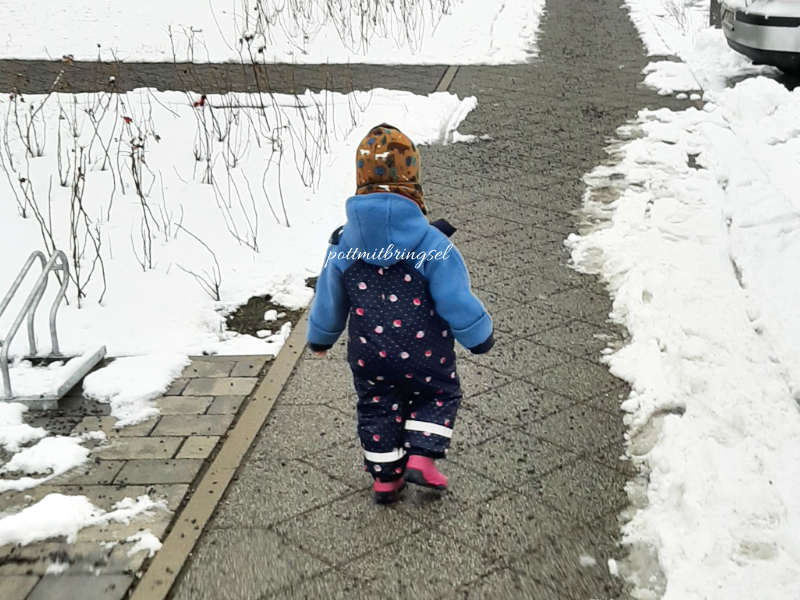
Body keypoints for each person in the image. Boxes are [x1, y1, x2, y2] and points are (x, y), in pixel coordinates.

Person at [306, 123, 493, 504]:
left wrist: (320, 336)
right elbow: (454, 298)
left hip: (370, 354)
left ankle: (385, 480)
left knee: (376, 406)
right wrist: (477, 335)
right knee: (438, 393)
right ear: (414, 181)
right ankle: (422, 457)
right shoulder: (432, 244)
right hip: (426, 353)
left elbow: (329, 298)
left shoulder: (343, 244)